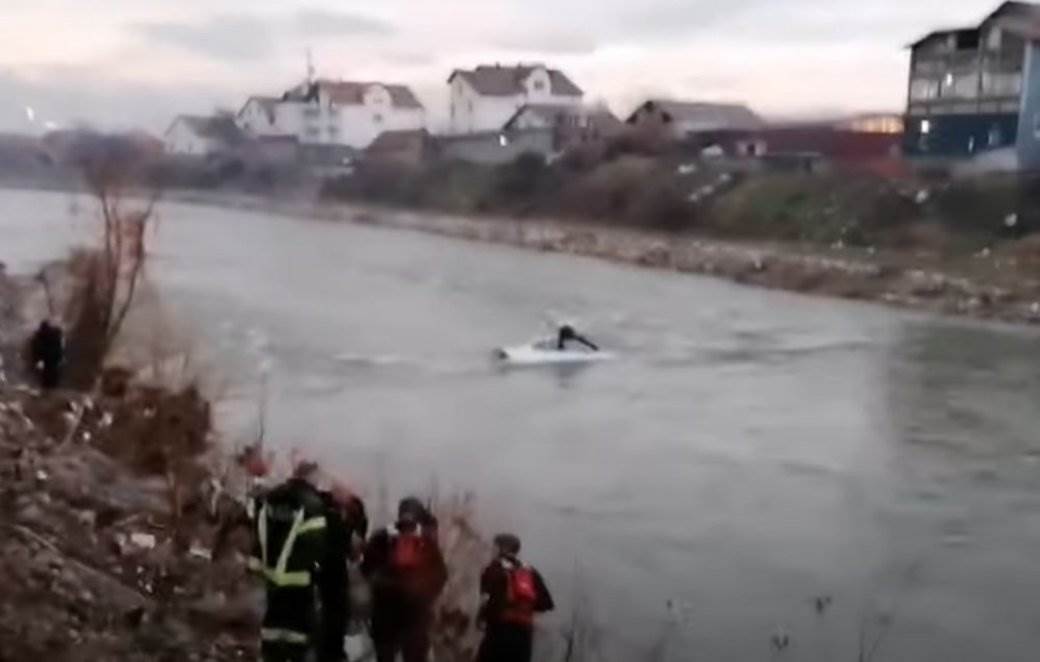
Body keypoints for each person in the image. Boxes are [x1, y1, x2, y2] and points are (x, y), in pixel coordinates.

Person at [249, 461, 350, 662]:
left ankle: (270, 654)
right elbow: (316, 544)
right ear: (312, 477)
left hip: (271, 575)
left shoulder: (274, 497)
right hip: (299, 578)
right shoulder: (312, 504)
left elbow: (259, 530)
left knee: (273, 623)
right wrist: (317, 569)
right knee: (296, 629)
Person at [362, 497, 448, 662]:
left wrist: (378, 587)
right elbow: (441, 575)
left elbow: (366, 568)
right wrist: (426, 596)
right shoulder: (427, 540)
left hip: (384, 608)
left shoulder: (382, 536)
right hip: (416, 611)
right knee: (414, 655)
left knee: (385, 654)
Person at [476, 533, 554, 662]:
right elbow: (545, 604)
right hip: (524, 636)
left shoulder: (493, 569)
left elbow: (487, 600)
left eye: (494, 547)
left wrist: (481, 618)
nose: (492, 550)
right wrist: (524, 607)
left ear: (501, 549)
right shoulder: (530, 570)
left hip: (498, 633)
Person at [29, 319, 65, 390]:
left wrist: (37, 360)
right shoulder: (54, 335)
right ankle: (51, 388)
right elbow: (59, 347)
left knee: (47, 375)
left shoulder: (40, 336)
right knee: (52, 374)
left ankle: (48, 388)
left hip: (49, 357)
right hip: (52, 357)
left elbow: (36, 349)